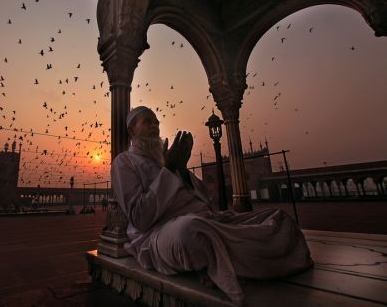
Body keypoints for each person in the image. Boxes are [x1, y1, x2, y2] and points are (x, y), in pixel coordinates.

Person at [111, 106, 313, 306]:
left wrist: (180, 169)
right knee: (191, 233)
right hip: (159, 233)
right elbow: (140, 217)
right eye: (147, 121)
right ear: (131, 130)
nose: (154, 125)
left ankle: (216, 262)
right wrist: (170, 168)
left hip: (208, 221)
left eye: (156, 121)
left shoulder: (166, 160)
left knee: (279, 219)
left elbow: (204, 199)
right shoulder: (124, 162)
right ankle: (225, 260)